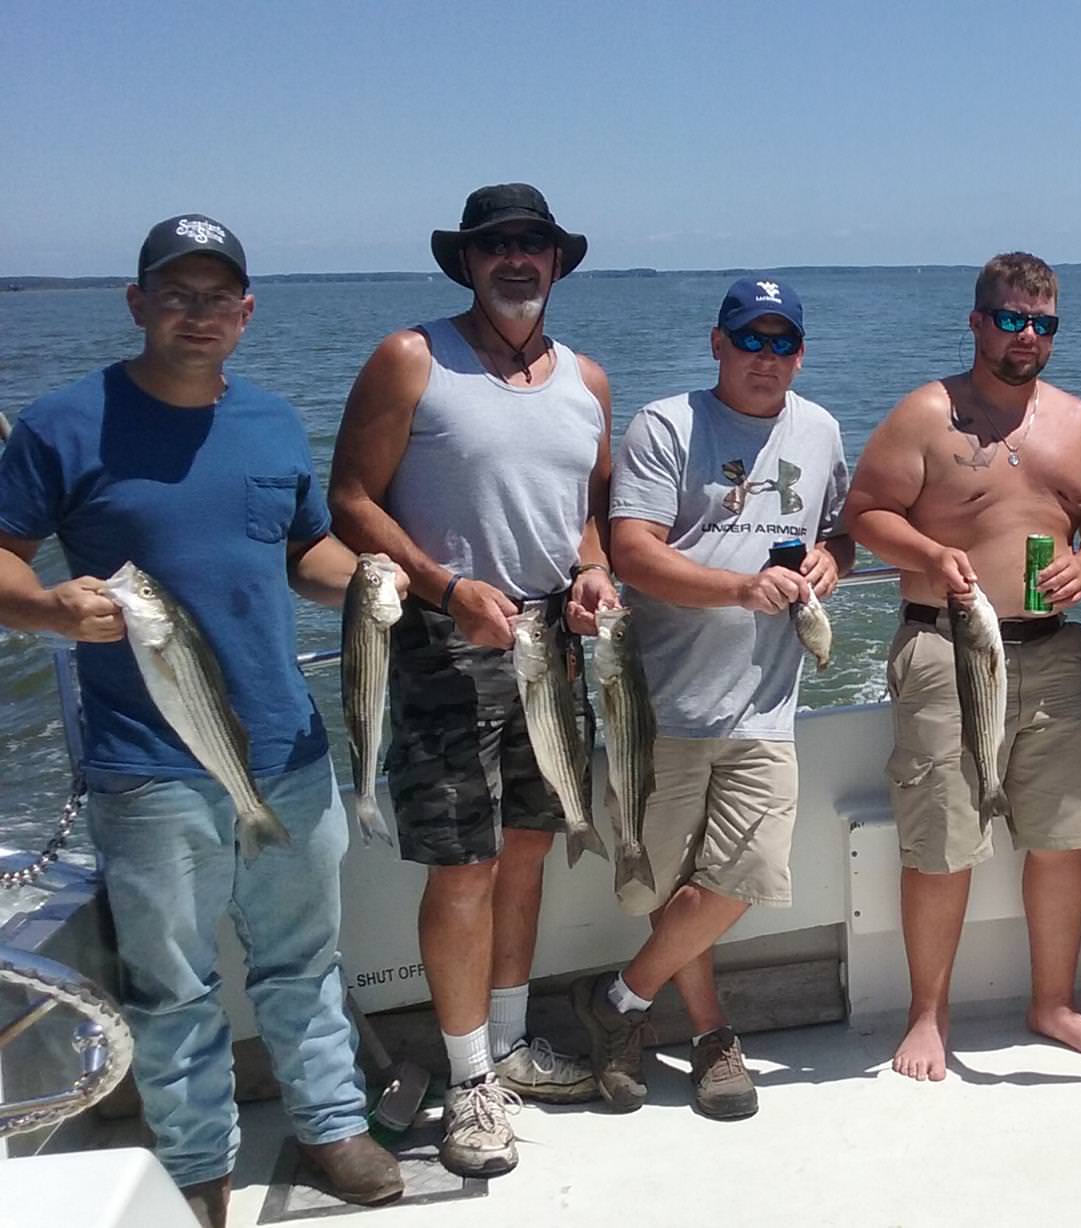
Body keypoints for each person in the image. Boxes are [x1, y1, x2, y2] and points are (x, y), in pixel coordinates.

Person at [0, 216, 402, 1226]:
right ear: (135, 304)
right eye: (174, 293)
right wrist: (49, 607)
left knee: (303, 962)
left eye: (216, 296)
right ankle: (196, 1166)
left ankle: (331, 1125)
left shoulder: (269, 423)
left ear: (247, 313)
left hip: (291, 750)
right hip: (145, 767)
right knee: (171, 986)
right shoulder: (63, 422)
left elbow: (305, 553)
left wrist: (372, 582)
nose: (196, 312)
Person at [327, 184, 616, 1176]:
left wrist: (591, 572)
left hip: (551, 642)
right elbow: (351, 500)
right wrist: (447, 590)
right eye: (496, 245)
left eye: (533, 243)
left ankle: (510, 1040)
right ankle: (467, 1080)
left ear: (558, 260)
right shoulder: (412, 357)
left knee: (529, 849)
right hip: (444, 642)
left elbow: (586, 513)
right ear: (468, 261)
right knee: (467, 865)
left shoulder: (587, 379)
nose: (516, 258)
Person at [569, 277, 852, 1117]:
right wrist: (737, 589)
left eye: (782, 343)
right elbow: (632, 552)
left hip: (766, 707)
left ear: (799, 352)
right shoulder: (666, 425)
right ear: (718, 344)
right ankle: (709, 1036)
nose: (767, 359)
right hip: (659, 705)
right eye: (750, 340)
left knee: (744, 877)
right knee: (669, 886)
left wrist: (834, 553)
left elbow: (840, 521)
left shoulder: (823, 429)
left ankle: (616, 1001)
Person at [845, 251, 1081, 1080]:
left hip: (1053, 654)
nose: (1026, 337)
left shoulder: (1079, 422)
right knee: (941, 837)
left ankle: (1054, 1000)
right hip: (946, 646)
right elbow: (862, 514)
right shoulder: (925, 414)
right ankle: (928, 1015)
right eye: (1010, 320)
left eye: (1042, 324)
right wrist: (929, 549)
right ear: (976, 321)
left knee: (1065, 837)